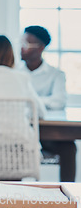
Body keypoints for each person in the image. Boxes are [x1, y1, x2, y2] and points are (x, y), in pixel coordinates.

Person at [19, 25, 76, 182]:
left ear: (40, 48)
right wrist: (41, 102)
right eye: (21, 43)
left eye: (26, 44)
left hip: (47, 134)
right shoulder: (15, 73)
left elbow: (59, 101)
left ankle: (68, 194)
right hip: (19, 133)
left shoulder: (56, 74)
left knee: (69, 147)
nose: (21, 48)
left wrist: (31, 102)